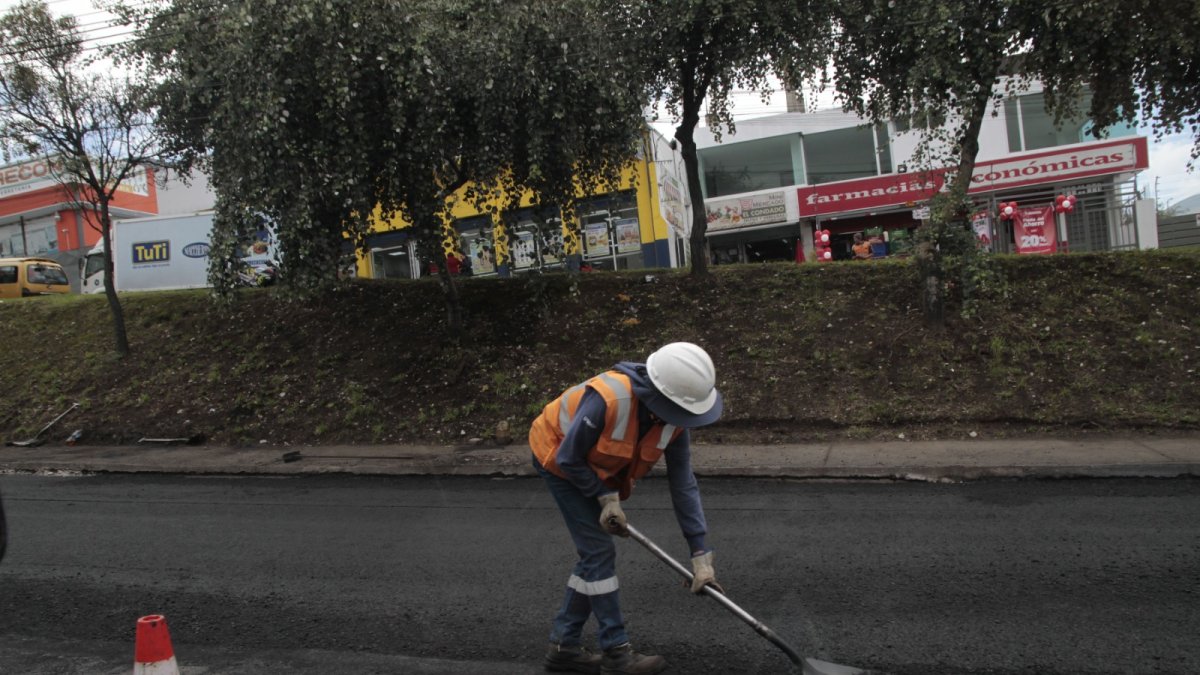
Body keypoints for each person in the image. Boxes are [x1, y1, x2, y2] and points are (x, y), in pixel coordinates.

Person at [530, 342, 725, 675]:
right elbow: (568, 457)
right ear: (660, 396)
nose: (682, 418)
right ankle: (617, 652)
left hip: (592, 468)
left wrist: (700, 554)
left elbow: (683, 485)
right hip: (557, 457)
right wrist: (605, 498)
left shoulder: (675, 420)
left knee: (593, 559)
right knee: (598, 553)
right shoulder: (609, 398)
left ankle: (563, 649)